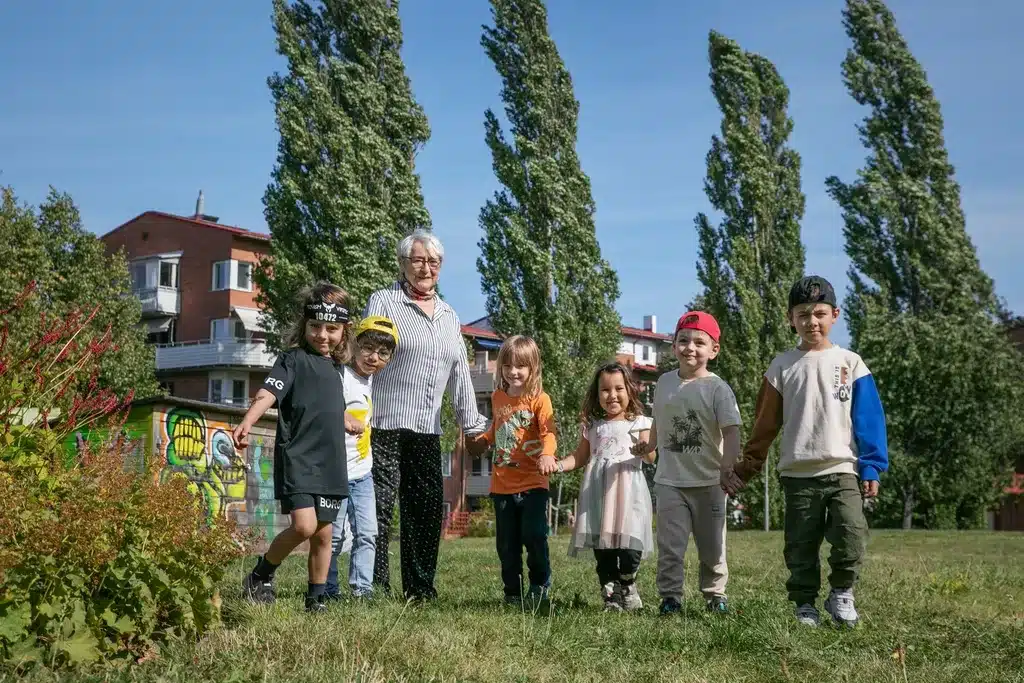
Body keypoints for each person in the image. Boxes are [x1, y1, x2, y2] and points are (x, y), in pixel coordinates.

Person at [722, 276, 888, 628]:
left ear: (835, 315)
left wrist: (871, 467)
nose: (812, 322)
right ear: (790, 318)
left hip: (843, 469)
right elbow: (765, 424)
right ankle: (805, 605)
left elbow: (869, 419)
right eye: (803, 315)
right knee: (800, 546)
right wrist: (747, 467)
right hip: (798, 475)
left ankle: (842, 592)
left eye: (819, 314)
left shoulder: (851, 362)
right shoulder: (782, 366)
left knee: (851, 535)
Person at [363, 230, 488, 601]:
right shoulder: (384, 301)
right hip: (383, 423)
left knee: (426, 512)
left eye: (433, 262)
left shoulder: (450, 316)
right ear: (403, 263)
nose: (425, 268)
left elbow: (460, 374)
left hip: (426, 430)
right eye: (417, 260)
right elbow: (368, 357)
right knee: (379, 510)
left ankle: (419, 588)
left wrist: (474, 426)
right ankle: (375, 587)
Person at [233, 282, 356, 613]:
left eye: (332, 328)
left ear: (344, 331)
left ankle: (316, 599)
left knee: (324, 534)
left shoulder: (336, 368)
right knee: (304, 526)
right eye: (315, 326)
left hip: (331, 462)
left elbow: (326, 405)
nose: (322, 335)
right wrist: (248, 419)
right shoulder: (292, 360)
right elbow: (268, 393)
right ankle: (261, 575)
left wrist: (346, 420)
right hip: (298, 457)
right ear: (305, 325)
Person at [633, 311, 742, 616]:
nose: (690, 347)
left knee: (712, 547)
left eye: (699, 342)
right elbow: (659, 421)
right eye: (683, 340)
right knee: (671, 547)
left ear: (713, 350)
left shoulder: (718, 388)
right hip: (670, 482)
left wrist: (727, 468)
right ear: (673, 345)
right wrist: (649, 445)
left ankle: (715, 595)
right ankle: (670, 598)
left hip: (709, 483)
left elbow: (732, 432)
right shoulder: (665, 382)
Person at [554, 361, 654, 612]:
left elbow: (651, 456)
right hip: (599, 493)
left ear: (630, 390)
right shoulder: (593, 427)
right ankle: (611, 596)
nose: (612, 395)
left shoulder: (641, 422)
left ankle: (628, 585)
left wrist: (644, 450)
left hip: (628, 493)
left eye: (619, 388)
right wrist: (558, 465)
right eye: (605, 390)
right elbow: (580, 456)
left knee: (631, 547)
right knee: (604, 548)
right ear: (596, 395)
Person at [467, 335, 557, 609]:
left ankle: (539, 585)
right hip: (502, 484)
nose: (513, 372)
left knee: (533, 536)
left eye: (520, 366)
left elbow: (548, 432)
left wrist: (547, 454)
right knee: (507, 545)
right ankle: (512, 592)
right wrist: (483, 441)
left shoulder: (539, 400)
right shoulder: (498, 397)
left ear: (533, 368)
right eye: (508, 365)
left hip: (532, 483)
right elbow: (499, 428)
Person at [324, 315, 399, 601]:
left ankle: (362, 591)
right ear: (355, 344)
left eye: (383, 353)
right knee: (333, 538)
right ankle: (328, 590)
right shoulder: (339, 375)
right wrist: (341, 418)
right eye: (367, 348)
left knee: (368, 533)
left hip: (363, 474)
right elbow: (322, 409)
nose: (373, 357)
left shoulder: (370, 382)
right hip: (335, 473)